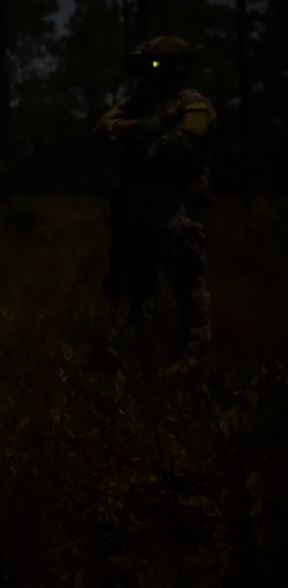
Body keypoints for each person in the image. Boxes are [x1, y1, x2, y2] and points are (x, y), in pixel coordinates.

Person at [99, 36, 216, 375]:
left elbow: (186, 142)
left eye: (154, 65)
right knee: (138, 283)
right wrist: (136, 126)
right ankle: (142, 347)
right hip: (135, 206)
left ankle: (193, 357)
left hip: (173, 205)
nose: (148, 73)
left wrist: (142, 148)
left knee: (187, 283)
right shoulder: (136, 104)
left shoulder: (191, 104)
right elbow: (103, 127)